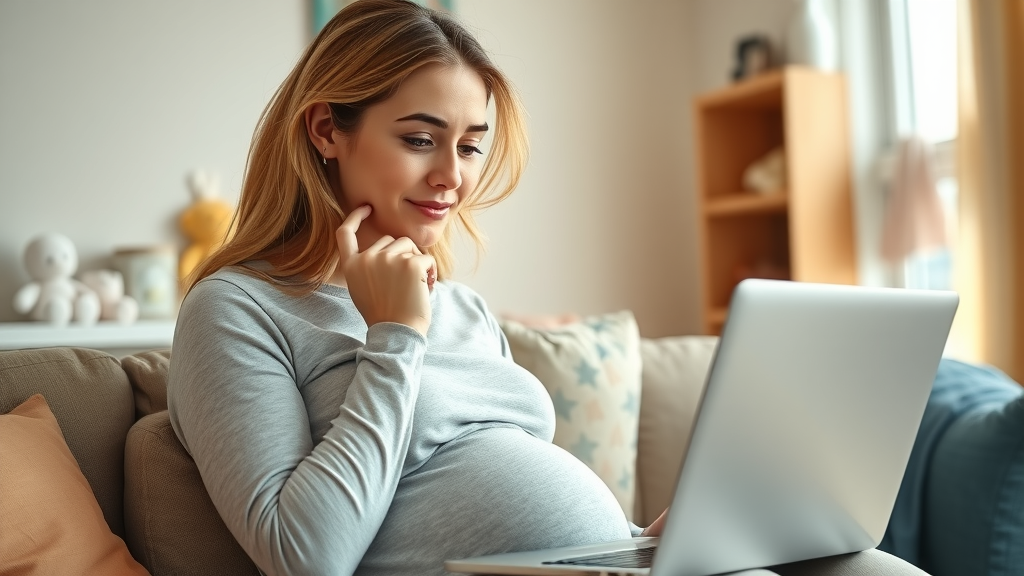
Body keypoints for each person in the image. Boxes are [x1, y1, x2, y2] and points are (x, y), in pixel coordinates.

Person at [167, 1, 666, 575]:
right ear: (327, 130)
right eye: (420, 139)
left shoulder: (462, 308)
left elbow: (495, 494)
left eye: (471, 145)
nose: (452, 176)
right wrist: (396, 335)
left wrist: (637, 540)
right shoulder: (238, 309)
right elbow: (305, 557)